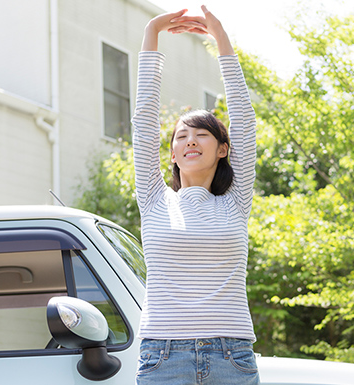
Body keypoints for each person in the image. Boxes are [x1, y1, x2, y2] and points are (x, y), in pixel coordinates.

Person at [131, 5, 259, 385]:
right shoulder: (155, 199)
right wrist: (151, 33)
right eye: (181, 136)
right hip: (163, 357)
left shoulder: (235, 202)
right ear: (171, 154)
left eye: (202, 133)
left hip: (231, 357)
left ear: (223, 148)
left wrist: (220, 39)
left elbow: (245, 120)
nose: (190, 140)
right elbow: (143, 118)